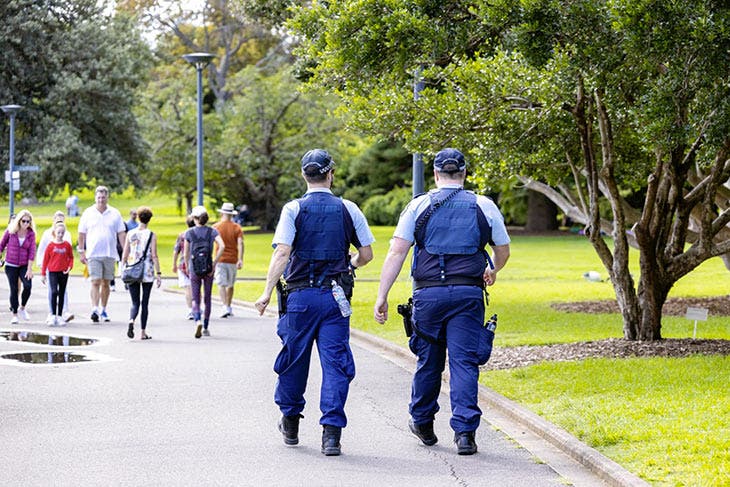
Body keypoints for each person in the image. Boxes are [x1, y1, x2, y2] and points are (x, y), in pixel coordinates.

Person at [373, 148, 511, 456]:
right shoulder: (483, 205)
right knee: (464, 363)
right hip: (468, 294)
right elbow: (502, 249)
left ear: (436, 174)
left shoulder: (418, 205)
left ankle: (422, 421)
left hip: (428, 295)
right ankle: (465, 433)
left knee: (429, 361)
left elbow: (397, 252)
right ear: (464, 173)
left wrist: (382, 296)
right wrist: (493, 269)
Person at [255, 149, 374, 456]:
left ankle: (291, 422)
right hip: (336, 299)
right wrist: (350, 263)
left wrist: (267, 291)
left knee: (294, 359)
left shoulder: (293, 209)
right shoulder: (349, 208)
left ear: (303, 175)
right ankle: (331, 435)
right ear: (330, 174)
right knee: (335, 364)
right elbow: (367, 255)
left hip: (300, 298)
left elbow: (282, 252)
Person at [77, 186, 126, 323]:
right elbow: (81, 234)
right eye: (98, 197)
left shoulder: (115, 213)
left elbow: (121, 234)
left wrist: (126, 252)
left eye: (103, 197)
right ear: (95, 198)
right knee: (95, 281)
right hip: (93, 253)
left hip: (110, 253)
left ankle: (103, 309)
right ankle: (94, 309)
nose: (101, 200)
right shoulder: (88, 213)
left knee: (106, 283)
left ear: (107, 198)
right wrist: (81, 251)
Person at [183, 206, 225, 338]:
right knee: (207, 298)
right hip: (208, 267)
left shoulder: (189, 233)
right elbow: (222, 246)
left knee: (196, 297)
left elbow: (186, 253)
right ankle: (206, 326)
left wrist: (188, 266)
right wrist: (214, 263)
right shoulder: (212, 231)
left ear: (195, 218)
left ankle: (197, 320)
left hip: (194, 267)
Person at [121, 206, 162, 340]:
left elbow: (125, 253)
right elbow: (154, 255)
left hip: (132, 269)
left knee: (134, 302)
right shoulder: (151, 234)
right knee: (145, 302)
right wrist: (159, 273)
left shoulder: (130, 233)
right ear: (149, 219)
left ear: (138, 217)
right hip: (147, 271)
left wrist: (122, 268)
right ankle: (143, 332)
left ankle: (131, 320)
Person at [37, 211, 74, 324]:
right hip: (51, 269)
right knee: (52, 291)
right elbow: (43, 252)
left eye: (61, 220)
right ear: (54, 220)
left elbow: (70, 255)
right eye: (57, 220)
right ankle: (52, 313)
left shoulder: (66, 235)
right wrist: (42, 270)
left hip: (62, 270)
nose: (59, 222)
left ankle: (62, 312)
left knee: (63, 291)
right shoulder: (48, 234)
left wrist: (69, 266)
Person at [0, 210, 37, 324]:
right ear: (19, 221)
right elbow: (1, 245)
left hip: (24, 265)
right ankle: (14, 314)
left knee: (28, 286)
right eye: (24, 221)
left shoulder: (31, 234)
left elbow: (32, 252)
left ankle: (22, 308)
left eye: (28, 222)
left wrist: (30, 269)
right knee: (14, 289)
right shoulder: (11, 231)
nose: (26, 224)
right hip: (11, 265)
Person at [213, 202, 244, 318]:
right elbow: (240, 244)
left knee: (221, 283)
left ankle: (224, 306)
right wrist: (240, 259)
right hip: (232, 259)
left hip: (219, 259)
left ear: (222, 213)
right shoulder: (237, 228)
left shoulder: (216, 227)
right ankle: (228, 306)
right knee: (230, 284)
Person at [172, 216, 196, 320]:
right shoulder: (198, 235)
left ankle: (190, 310)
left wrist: (174, 264)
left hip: (183, 264)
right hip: (197, 264)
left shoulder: (182, 235)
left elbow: (176, 251)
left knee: (188, 288)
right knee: (196, 287)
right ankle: (197, 307)